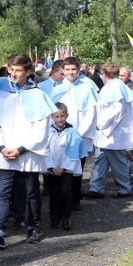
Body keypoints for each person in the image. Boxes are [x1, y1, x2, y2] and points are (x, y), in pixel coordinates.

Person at [0, 54, 56, 249]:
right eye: (11, 69)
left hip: (28, 153)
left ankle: (33, 227)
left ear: (28, 72)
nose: (13, 74)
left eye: (18, 70)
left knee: (32, 191)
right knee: (4, 193)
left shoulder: (38, 96)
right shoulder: (1, 94)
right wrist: (2, 147)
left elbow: (41, 130)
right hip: (5, 152)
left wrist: (20, 149)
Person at [50, 57, 98, 212]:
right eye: (68, 69)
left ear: (79, 70)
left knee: (76, 167)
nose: (71, 72)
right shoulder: (57, 89)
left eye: (73, 69)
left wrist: (79, 133)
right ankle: (60, 198)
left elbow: (91, 112)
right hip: (60, 133)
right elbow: (51, 110)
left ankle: (75, 197)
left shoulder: (86, 87)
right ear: (63, 70)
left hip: (78, 133)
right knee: (59, 166)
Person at [85, 62, 133, 199]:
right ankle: (96, 188)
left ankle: (124, 189)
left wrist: (102, 125)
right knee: (100, 160)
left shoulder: (116, 88)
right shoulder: (112, 87)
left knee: (118, 162)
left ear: (104, 73)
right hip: (105, 132)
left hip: (113, 131)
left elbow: (116, 112)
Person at [45, 102, 87, 230]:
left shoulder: (72, 131)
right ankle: (54, 219)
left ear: (66, 116)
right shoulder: (47, 131)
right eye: (56, 117)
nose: (60, 119)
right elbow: (45, 150)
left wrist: (64, 167)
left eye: (62, 116)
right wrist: (51, 167)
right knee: (54, 192)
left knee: (65, 191)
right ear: (52, 117)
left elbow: (74, 150)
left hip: (67, 169)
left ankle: (66, 218)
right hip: (53, 168)